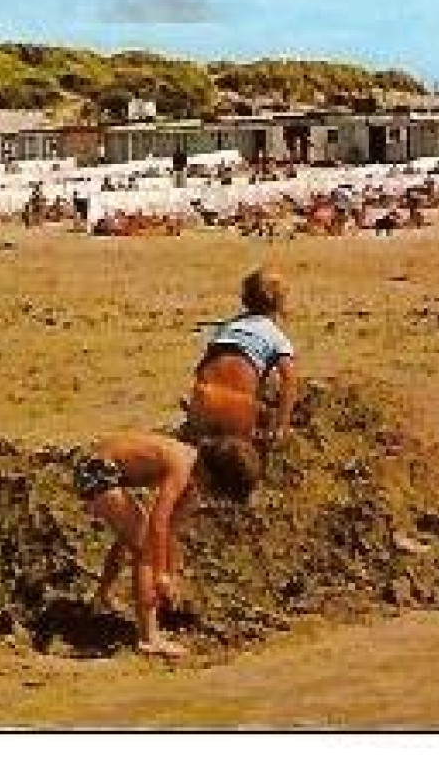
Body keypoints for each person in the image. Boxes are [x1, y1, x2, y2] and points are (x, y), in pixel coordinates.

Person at [74, 430, 262, 658]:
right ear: (213, 476)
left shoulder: (194, 481)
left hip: (105, 469)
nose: (216, 498)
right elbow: (158, 522)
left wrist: (172, 574)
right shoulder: (182, 466)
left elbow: (171, 531)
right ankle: (148, 638)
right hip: (95, 468)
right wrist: (161, 575)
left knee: (132, 535)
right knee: (144, 545)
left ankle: (101, 597)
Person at [182, 268, 299, 446]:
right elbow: (289, 381)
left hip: (202, 400)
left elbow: (204, 365)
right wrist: (280, 427)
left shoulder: (228, 328)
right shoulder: (276, 337)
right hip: (238, 407)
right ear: (279, 303)